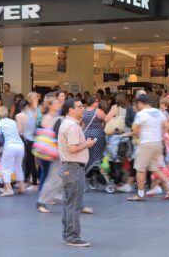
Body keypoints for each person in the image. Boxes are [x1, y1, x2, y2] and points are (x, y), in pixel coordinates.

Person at [58, 98, 96, 247]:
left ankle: (68, 235)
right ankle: (72, 237)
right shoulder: (72, 126)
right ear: (70, 110)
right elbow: (73, 148)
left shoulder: (69, 124)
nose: (83, 109)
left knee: (69, 203)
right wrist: (87, 144)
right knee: (74, 204)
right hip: (73, 168)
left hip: (69, 168)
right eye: (79, 107)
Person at [127, 95, 169, 201]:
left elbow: (136, 132)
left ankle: (141, 195)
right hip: (158, 143)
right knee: (155, 167)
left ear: (140, 103)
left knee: (140, 169)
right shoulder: (157, 112)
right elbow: (168, 126)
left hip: (146, 143)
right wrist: (160, 133)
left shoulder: (141, 114)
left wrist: (133, 134)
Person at [36, 93, 63, 213]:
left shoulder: (56, 116)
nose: (59, 104)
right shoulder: (48, 117)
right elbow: (48, 134)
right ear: (51, 105)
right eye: (56, 102)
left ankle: (50, 197)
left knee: (51, 174)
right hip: (49, 150)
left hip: (52, 150)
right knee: (48, 174)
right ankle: (43, 199)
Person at [0, 106, 26, 197]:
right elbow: (18, 132)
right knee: (18, 167)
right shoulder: (13, 122)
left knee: (6, 169)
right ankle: (21, 187)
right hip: (20, 145)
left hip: (9, 147)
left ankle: (9, 190)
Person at [83, 96, 107, 189]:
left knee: (88, 157)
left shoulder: (84, 111)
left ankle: (88, 176)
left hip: (86, 136)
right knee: (97, 157)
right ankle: (95, 176)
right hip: (97, 136)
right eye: (97, 101)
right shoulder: (98, 111)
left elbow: (82, 124)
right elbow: (107, 119)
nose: (98, 102)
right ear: (93, 102)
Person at [16, 98, 38, 191]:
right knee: (30, 161)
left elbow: (20, 130)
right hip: (33, 140)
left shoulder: (19, 115)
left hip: (25, 139)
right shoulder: (32, 114)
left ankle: (33, 184)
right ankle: (27, 181)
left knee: (28, 162)